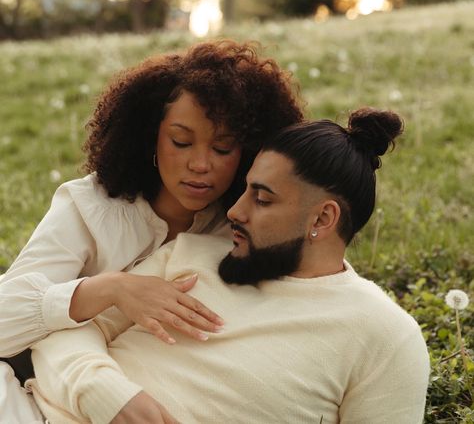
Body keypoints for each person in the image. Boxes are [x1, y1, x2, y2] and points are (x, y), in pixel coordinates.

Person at [28, 108, 429, 424]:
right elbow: (64, 329)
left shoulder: (385, 336)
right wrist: (106, 395)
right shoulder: (195, 253)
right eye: (245, 190)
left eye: (263, 199)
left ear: (322, 220)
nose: (235, 211)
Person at [0, 40, 303, 418]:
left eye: (223, 148)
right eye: (181, 141)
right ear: (150, 137)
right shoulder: (90, 205)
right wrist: (112, 288)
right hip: (33, 392)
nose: (200, 164)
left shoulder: (242, 226)